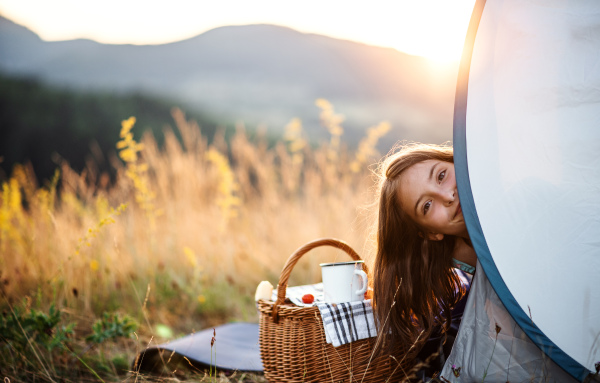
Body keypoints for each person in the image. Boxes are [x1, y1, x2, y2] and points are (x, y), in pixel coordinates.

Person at [370, 143, 477, 377]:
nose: (448, 196)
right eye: (427, 206)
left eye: (441, 175)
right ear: (431, 233)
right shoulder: (458, 262)